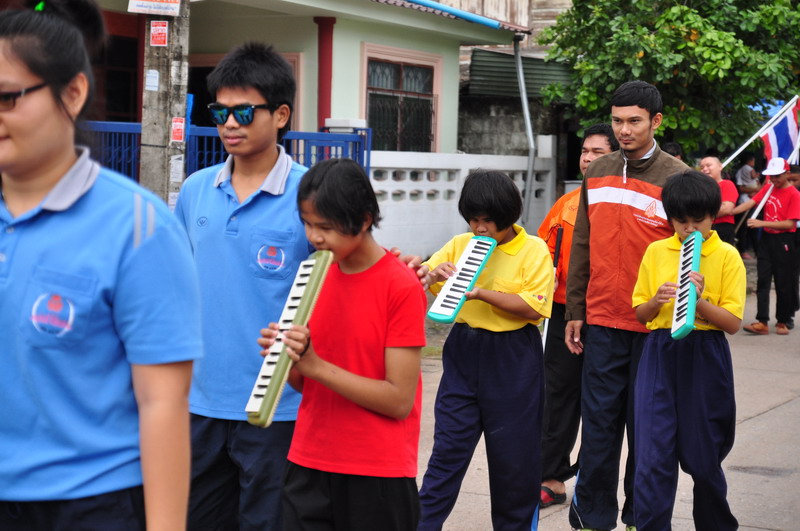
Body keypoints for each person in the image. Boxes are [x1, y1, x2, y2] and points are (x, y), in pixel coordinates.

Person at [0, 1, 203, 529]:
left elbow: (163, 404)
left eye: (6, 97)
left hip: (91, 504)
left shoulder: (139, 227)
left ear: (72, 93)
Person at [174, 42, 312, 529]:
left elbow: (342, 286)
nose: (229, 123)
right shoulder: (195, 190)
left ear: (280, 115)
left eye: (244, 112)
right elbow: (175, 288)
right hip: (199, 402)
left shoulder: (312, 194)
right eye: (220, 112)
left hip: (278, 407)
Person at [257, 158, 427, 530]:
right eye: (307, 224)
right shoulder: (312, 277)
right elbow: (308, 385)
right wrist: (287, 359)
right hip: (308, 460)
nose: (314, 237)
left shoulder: (400, 285)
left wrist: (316, 366)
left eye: (325, 227)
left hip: (377, 472)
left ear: (364, 220)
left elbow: (399, 400)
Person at [565, 80, 688, 531]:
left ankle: (642, 517)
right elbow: (582, 243)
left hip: (655, 327)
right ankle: (592, 519)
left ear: (656, 121)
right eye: (617, 121)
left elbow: (691, 251)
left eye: (634, 121)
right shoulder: (597, 172)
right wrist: (575, 309)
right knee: (598, 427)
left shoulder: (678, 177)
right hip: (601, 321)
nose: (624, 130)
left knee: (648, 432)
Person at [417, 170, 554, 530]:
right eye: (473, 219)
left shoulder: (533, 249)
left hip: (513, 358)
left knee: (514, 464)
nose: (479, 228)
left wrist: (479, 293)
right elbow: (421, 277)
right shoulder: (460, 243)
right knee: (446, 454)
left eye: (487, 221)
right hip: (464, 352)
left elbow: (533, 308)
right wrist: (432, 274)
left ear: (508, 215)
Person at [632, 170, 744, 530]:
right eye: (681, 221)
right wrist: (656, 300)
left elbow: (732, 322)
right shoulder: (656, 251)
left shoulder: (726, 255)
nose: (690, 228)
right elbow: (641, 314)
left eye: (699, 220)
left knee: (703, 453)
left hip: (705, 351)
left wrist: (700, 300)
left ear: (713, 217)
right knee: (652, 453)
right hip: (659, 351)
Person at [537, 123, 619, 509]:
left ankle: (592, 479)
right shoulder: (566, 204)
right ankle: (550, 477)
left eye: (597, 152)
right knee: (558, 394)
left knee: (602, 401)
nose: (587, 158)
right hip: (562, 311)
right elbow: (541, 253)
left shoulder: (625, 203)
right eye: (585, 151)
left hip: (608, 314)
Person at [732, 157, 800, 335]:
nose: (774, 179)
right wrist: (729, 211)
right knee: (762, 280)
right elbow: (750, 203)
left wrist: (762, 223)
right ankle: (762, 321)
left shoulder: (794, 194)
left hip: (784, 241)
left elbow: (790, 224)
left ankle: (782, 321)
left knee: (783, 281)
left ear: (787, 174)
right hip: (767, 241)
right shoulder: (768, 188)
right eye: (771, 176)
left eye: (777, 176)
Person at [699, 155, 738, 245]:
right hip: (702, 229)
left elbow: (726, 209)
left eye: (708, 165)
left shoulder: (727, 184)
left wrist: (699, 214)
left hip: (721, 228)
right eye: (702, 167)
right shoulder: (699, 188)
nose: (705, 169)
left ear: (720, 166)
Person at [734, 152, 761, 258]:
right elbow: (741, 188)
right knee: (744, 228)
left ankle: (756, 250)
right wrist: (755, 189)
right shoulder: (748, 169)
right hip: (745, 202)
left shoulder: (740, 171)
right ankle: (743, 250)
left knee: (751, 227)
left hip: (750, 201)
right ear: (750, 161)